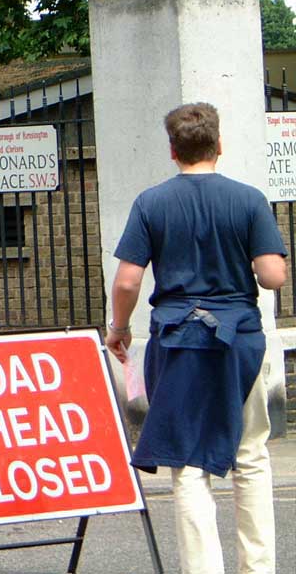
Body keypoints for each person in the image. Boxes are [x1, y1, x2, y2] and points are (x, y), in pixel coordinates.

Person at [107, 103, 287, 574]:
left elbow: (127, 282)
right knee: (249, 454)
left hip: (177, 339)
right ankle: (258, 567)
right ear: (219, 145)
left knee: (186, 463)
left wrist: (119, 328)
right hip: (239, 341)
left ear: (172, 150)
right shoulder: (248, 200)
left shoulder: (152, 203)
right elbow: (271, 276)